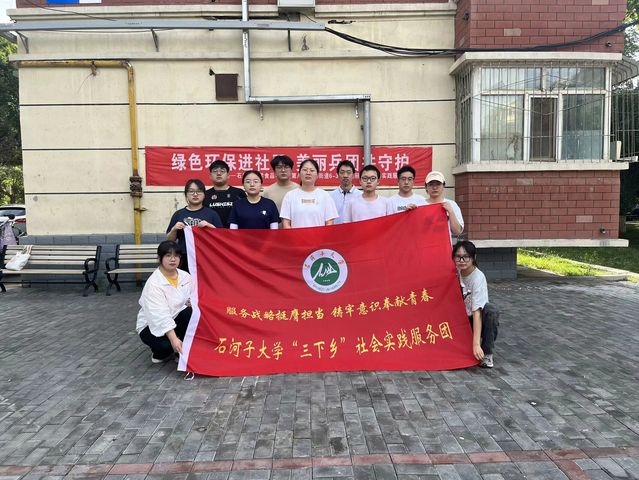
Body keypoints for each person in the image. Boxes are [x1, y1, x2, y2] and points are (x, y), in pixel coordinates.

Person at [136, 240, 193, 364]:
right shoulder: (154, 283)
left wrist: (192, 302)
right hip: (152, 324)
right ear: (159, 258)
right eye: (168, 255)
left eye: (176, 255)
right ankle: (161, 352)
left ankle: (182, 349)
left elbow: (193, 296)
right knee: (166, 347)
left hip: (176, 317)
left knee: (189, 312)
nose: (173, 259)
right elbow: (160, 315)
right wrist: (173, 340)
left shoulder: (185, 276)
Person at [453, 240, 498, 368]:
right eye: (458, 256)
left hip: (475, 320)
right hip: (460, 320)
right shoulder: (455, 273)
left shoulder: (478, 278)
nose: (462, 260)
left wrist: (476, 345)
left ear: (473, 258)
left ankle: (487, 353)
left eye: (466, 257)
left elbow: (476, 312)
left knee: (491, 311)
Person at [167, 179, 223, 270]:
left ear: (204, 195)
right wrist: (174, 229)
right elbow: (170, 240)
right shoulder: (179, 214)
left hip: (206, 257)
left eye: (199, 191)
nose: (195, 194)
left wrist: (209, 226)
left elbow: (221, 238)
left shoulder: (212, 214)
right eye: (191, 191)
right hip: (184, 257)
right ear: (186, 194)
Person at [280, 159, 338, 228]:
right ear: (299, 173)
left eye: (312, 170)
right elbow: (286, 223)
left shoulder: (325, 195)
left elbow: (329, 222)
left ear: (317, 175)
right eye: (305, 170)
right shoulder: (290, 196)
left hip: (319, 235)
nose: (308, 173)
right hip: (296, 235)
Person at [204, 160, 247, 228]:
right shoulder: (205, 195)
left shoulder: (239, 193)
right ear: (210, 176)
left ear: (228, 175)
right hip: (212, 233)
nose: (218, 173)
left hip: (234, 233)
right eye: (215, 171)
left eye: (222, 171)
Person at [425, 171, 464, 242]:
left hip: (444, 245)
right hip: (424, 245)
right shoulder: (420, 205)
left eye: (438, 184)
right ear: (426, 187)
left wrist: (451, 212)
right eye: (431, 184)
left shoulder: (452, 204)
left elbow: (457, 231)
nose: (435, 187)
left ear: (443, 186)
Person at [329, 160, 362, 224]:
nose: (345, 175)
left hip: (355, 229)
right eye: (342, 172)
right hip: (335, 229)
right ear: (338, 175)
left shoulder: (361, 196)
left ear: (353, 175)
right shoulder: (330, 196)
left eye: (348, 172)